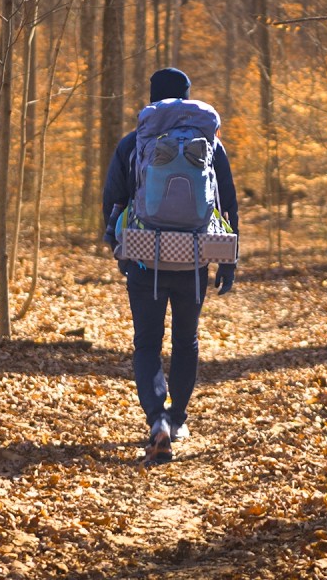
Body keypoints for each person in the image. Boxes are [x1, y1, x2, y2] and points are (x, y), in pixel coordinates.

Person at [101, 68, 239, 465]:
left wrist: (119, 248)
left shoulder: (134, 143)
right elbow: (227, 201)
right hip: (193, 257)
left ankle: (156, 418)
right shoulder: (210, 143)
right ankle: (178, 419)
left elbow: (114, 199)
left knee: (147, 343)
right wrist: (229, 260)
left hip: (145, 256)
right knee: (186, 341)